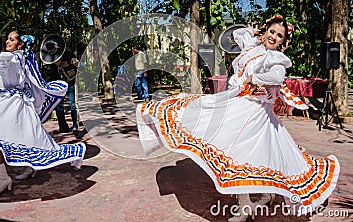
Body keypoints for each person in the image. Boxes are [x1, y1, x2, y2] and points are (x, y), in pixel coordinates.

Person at [136, 15, 339, 221]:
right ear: (265, 31)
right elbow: (237, 34)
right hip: (243, 104)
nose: (274, 37)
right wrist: (254, 32)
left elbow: (278, 77)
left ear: (283, 41)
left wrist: (255, 78)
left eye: (279, 36)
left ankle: (245, 205)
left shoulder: (274, 57)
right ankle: (264, 196)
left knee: (240, 156)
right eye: (271, 32)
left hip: (255, 109)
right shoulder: (253, 46)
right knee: (254, 155)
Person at [0, 30, 86, 195]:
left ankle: (3, 178)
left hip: (11, 104)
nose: (7, 42)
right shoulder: (24, 57)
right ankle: (24, 170)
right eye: (7, 39)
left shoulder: (10, 57)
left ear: (20, 44)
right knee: (28, 139)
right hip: (17, 103)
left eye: (11, 39)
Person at [53, 49, 81, 135]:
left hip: (72, 81)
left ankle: (75, 125)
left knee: (73, 104)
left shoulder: (69, 55)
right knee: (58, 104)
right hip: (61, 84)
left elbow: (79, 66)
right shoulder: (51, 58)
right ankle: (63, 127)